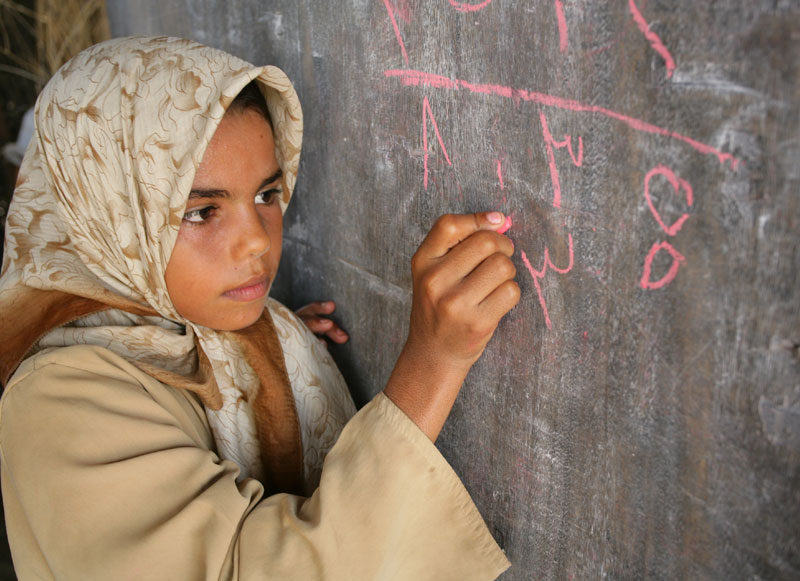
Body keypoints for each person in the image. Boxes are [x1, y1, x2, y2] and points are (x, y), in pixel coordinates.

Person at [0, 36, 519, 579]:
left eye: (267, 196)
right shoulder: (59, 403)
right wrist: (433, 362)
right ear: (106, 216)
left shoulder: (174, 332)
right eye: (201, 211)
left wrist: (256, 351)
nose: (257, 243)